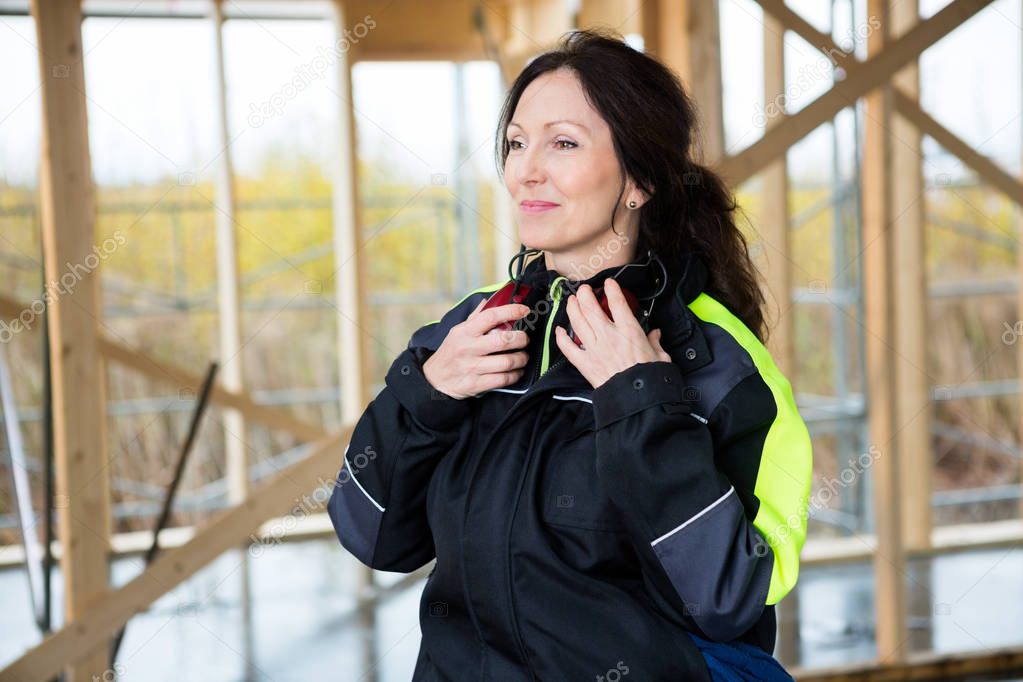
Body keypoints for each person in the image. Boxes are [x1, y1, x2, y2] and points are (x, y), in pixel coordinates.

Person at [328, 28, 812, 682]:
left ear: (638, 180)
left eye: (562, 143)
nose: (526, 169)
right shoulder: (474, 328)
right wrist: (425, 396)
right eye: (515, 143)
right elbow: (374, 535)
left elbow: (729, 596)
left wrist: (642, 401)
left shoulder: (718, 363)